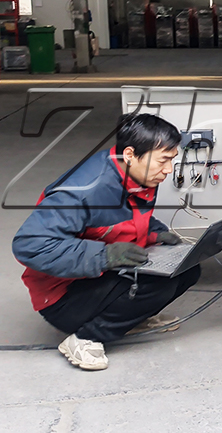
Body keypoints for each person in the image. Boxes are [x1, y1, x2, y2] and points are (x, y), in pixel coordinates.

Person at [13, 113, 200, 371]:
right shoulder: (83, 191)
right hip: (61, 295)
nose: (168, 170)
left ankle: (130, 318)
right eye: (163, 160)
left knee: (188, 268)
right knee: (158, 287)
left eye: (172, 160)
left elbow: (128, 218)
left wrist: (156, 234)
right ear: (131, 155)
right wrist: (103, 256)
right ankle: (84, 338)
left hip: (93, 278)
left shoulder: (137, 175)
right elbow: (30, 245)